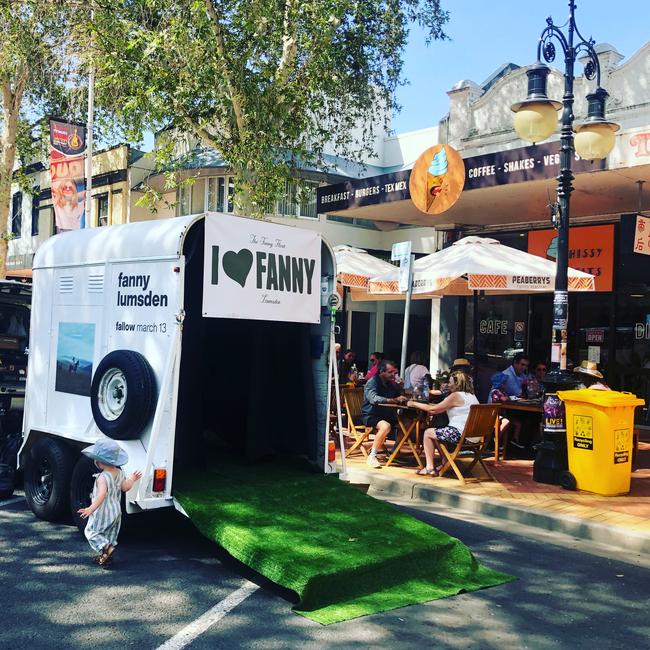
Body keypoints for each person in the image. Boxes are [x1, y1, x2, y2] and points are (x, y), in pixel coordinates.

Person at [77, 439, 142, 567]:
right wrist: (132, 479)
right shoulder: (119, 472)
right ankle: (105, 557)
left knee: (92, 532)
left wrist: (90, 508)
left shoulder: (102, 478)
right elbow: (125, 487)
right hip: (116, 511)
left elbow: (101, 495)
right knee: (108, 534)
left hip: (103, 512)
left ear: (99, 462)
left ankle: (107, 548)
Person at [407, 370, 479, 476]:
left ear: (457, 384)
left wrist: (413, 403)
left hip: (460, 434)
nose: (448, 385)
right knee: (437, 431)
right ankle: (446, 461)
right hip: (474, 436)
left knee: (428, 433)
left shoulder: (456, 395)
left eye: (450, 382)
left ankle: (429, 468)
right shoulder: (472, 396)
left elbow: (433, 410)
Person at [361, 359, 408, 468]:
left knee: (408, 423)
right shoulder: (373, 382)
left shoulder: (391, 384)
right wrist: (392, 400)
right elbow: (374, 399)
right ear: (382, 372)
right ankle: (372, 456)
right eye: (390, 372)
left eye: (395, 373)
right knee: (386, 426)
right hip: (371, 415)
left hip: (387, 414)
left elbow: (398, 396)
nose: (393, 375)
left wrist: (401, 388)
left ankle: (394, 452)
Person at [489, 371, 523, 449]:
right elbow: (504, 399)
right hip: (495, 415)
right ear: (499, 383)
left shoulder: (502, 392)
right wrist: (510, 398)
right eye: (504, 383)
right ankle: (496, 439)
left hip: (502, 414)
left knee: (518, 424)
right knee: (506, 422)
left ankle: (515, 439)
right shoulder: (495, 391)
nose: (506, 385)